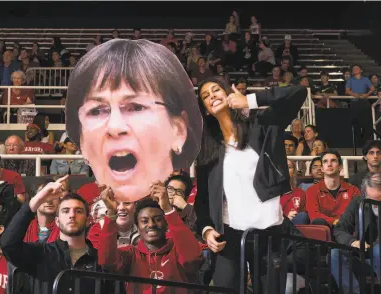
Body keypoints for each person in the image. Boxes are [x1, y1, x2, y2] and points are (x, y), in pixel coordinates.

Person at [194, 76, 307, 291]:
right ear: (206, 110)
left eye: (216, 90)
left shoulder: (261, 125)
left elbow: (298, 92)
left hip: (269, 232)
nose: (212, 96)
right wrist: (207, 230)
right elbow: (203, 200)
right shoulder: (208, 150)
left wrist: (250, 100)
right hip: (228, 235)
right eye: (206, 96)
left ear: (227, 93)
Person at [65, 39, 202, 203]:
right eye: (97, 110)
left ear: (178, 130)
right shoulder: (75, 207)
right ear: (83, 143)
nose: (115, 127)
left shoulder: (197, 202)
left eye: (136, 107)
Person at [0, 176, 105, 294]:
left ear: (88, 220)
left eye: (78, 211)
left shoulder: (100, 261)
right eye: (65, 211)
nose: (72, 215)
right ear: (57, 221)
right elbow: (8, 244)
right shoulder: (41, 253)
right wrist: (38, 199)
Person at [98, 183, 203, 292]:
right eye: (144, 221)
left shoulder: (178, 251)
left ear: (166, 223)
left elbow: (193, 259)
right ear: (138, 227)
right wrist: (110, 213)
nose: (151, 224)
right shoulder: (130, 254)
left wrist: (168, 209)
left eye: (157, 219)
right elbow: (107, 261)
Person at [331, 172, 381, 294]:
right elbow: (339, 229)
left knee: (378, 250)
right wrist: (352, 242)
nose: (376, 204)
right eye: (372, 200)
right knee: (335, 254)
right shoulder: (357, 202)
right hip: (363, 252)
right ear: (365, 194)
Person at [305, 150, 361, 227]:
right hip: (324, 230)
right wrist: (334, 221)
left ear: (340, 167)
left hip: (347, 230)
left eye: (333, 161)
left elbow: (357, 215)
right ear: (322, 168)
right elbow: (314, 215)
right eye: (325, 161)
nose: (329, 164)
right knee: (318, 221)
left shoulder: (353, 190)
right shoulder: (312, 190)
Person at [280, 159, 309, 225]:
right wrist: (286, 217)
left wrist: (296, 217)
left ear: (293, 171)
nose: (285, 169)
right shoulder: (269, 193)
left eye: (289, 167)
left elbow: (305, 215)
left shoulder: (300, 193)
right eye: (282, 167)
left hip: (294, 227)